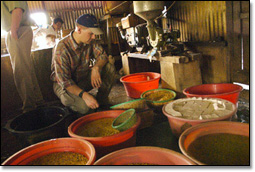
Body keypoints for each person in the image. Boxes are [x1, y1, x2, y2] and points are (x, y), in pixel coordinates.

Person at [50, 14, 116, 115]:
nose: (94, 36)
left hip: (81, 79)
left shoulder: (90, 41)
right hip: (64, 85)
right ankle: (75, 103)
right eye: (91, 33)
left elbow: (103, 56)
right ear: (79, 29)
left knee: (109, 68)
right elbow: (65, 81)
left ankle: (101, 101)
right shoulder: (62, 48)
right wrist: (84, 95)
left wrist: (96, 68)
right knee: (85, 108)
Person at [1, 1, 45, 113]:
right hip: (18, 29)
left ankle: (29, 107)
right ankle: (37, 102)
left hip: (18, 30)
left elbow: (17, 9)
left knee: (21, 71)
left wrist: (14, 30)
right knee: (26, 69)